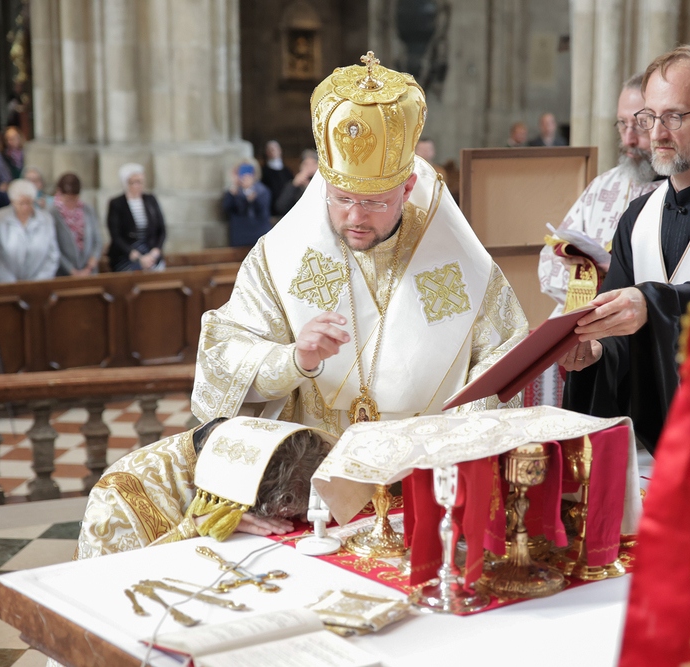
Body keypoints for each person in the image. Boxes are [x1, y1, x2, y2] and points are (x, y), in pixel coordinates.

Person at [192, 52, 528, 435]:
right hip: (314, 461)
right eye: (341, 198)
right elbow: (224, 356)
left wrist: (454, 442)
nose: (354, 217)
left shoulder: (454, 259)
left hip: (424, 456)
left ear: (407, 189)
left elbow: (501, 355)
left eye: (373, 202)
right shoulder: (280, 258)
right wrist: (294, 360)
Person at [561, 45, 690, 454]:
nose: (657, 134)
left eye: (674, 117)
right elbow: (618, 336)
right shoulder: (636, 217)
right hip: (650, 445)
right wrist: (596, 351)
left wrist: (650, 303)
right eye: (650, 117)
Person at [76, 417, 337, 558]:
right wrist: (197, 526)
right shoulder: (118, 495)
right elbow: (112, 579)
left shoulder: (243, 442)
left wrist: (315, 500)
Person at [539, 73, 660, 313]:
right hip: (582, 316)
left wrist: (614, 270)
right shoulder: (603, 185)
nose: (628, 139)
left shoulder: (678, 192)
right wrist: (576, 268)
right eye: (622, 124)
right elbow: (547, 262)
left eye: (640, 126)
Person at [0, 178, 60, 283]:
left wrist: (37, 282)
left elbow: (52, 255)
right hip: (4, 284)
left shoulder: (46, 219)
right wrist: (12, 283)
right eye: (21, 203)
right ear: (12, 201)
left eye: (28, 203)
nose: (25, 207)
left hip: (39, 285)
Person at [106, 163, 166, 272]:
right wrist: (136, 256)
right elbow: (116, 236)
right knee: (132, 274)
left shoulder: (150, 200)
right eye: (134, 182)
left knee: (157, 272)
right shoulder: (117, 203)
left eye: (141, 181)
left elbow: (161, 229)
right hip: (127, 254)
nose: (138, 185)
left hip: (150, 251)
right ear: (126, 183)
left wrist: (155, 252)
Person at [51, 172, 101, 277]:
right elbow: (53, 247)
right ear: (60, 193)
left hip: (89, 272)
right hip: (64, 274)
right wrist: (72, 271)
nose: (71, 203)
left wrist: (89, 267)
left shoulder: (88, 210)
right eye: (68, 199)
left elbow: (97, 240)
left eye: (74, 199)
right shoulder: (53, 214)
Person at [222, 162, 271, 247]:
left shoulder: (262, 190)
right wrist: (234, 189)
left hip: (258, 234)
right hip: (240, 236)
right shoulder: (234, 192)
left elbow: (260, 208)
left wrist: (249, 190)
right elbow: (227, 207)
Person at [273, 149, 318, 215]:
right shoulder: (294, 185)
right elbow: (280, 207)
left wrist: (309, 188)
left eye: (313, 164)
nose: (310, 168)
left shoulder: (325, 185)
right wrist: (294, 185)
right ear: (300, 166)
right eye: (306, 164)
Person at [260, 140, 293, 215]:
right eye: (270, 150)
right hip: (271, 209)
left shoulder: (287, 171)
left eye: (275, 149)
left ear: (280, 151)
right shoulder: (264, 171)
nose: (272, 152)